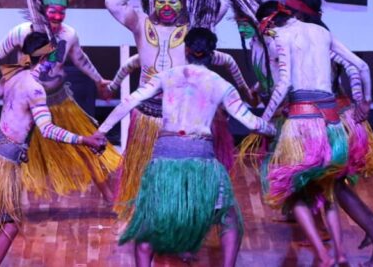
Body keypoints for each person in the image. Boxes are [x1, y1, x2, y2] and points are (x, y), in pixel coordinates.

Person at [253, 0, 373, 267]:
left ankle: (335, 252)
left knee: (294, 190)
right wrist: (365, 102)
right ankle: (353, 245)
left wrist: (262, 121)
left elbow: (283, 84)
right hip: (332, 124)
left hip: (303, 123)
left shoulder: (282, 36)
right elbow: (360, 66)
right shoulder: (322, 34)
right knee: (330, 186)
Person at [97, 26, 275, 266]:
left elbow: (129, 101)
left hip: (164, 160)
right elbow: (251, 122)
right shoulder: (221, 84)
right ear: (212, 53)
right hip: (202, 160)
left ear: (186, 49)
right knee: (228, 217)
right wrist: (273, 130)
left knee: (148, 223)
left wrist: (101, 132)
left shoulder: (167, 76)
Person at [105, 0, 255, 219]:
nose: (166, 7)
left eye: (173, 2)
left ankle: (184, 216)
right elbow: (112, 3)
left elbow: (220, 5)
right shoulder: (140, 23)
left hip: (183, 117)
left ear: (183, 2)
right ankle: (147, 217)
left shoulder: (192, 30)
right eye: (160, 1)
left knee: (181, 179)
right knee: (146, 174)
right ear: (152, 2)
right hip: (147, 116)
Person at [0, 32, 107, 267]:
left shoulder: (12, 76)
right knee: (9, 223)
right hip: (4, 160)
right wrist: (85, 140)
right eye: (52, 57)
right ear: (44, 58)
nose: (54, 62)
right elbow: (47, 129)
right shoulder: (35, 89)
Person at [0, 0, 120, 202]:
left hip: (58, 99)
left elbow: (81, 59)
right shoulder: (21, 32)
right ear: (43, 9)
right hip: (26, 101)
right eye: (53, 11)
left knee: (86, 150)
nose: (57, 17)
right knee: (18, 151)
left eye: (62, 13)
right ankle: (7, 200)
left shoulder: (69, 35)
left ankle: (110, 197)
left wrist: (99, 80)